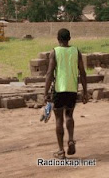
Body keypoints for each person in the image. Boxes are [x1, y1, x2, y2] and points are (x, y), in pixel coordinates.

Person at [44, 28, 88, 159]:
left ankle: (61, 151)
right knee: (69, 115)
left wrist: (45, 92)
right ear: (69, 38)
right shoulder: (76, 52)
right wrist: (85, 92)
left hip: (59, 89)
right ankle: (70, 139)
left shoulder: (55, 52)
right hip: (72, 90)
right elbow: (83, 73)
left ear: (58, 39)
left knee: (59, 119)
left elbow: (49, 73)